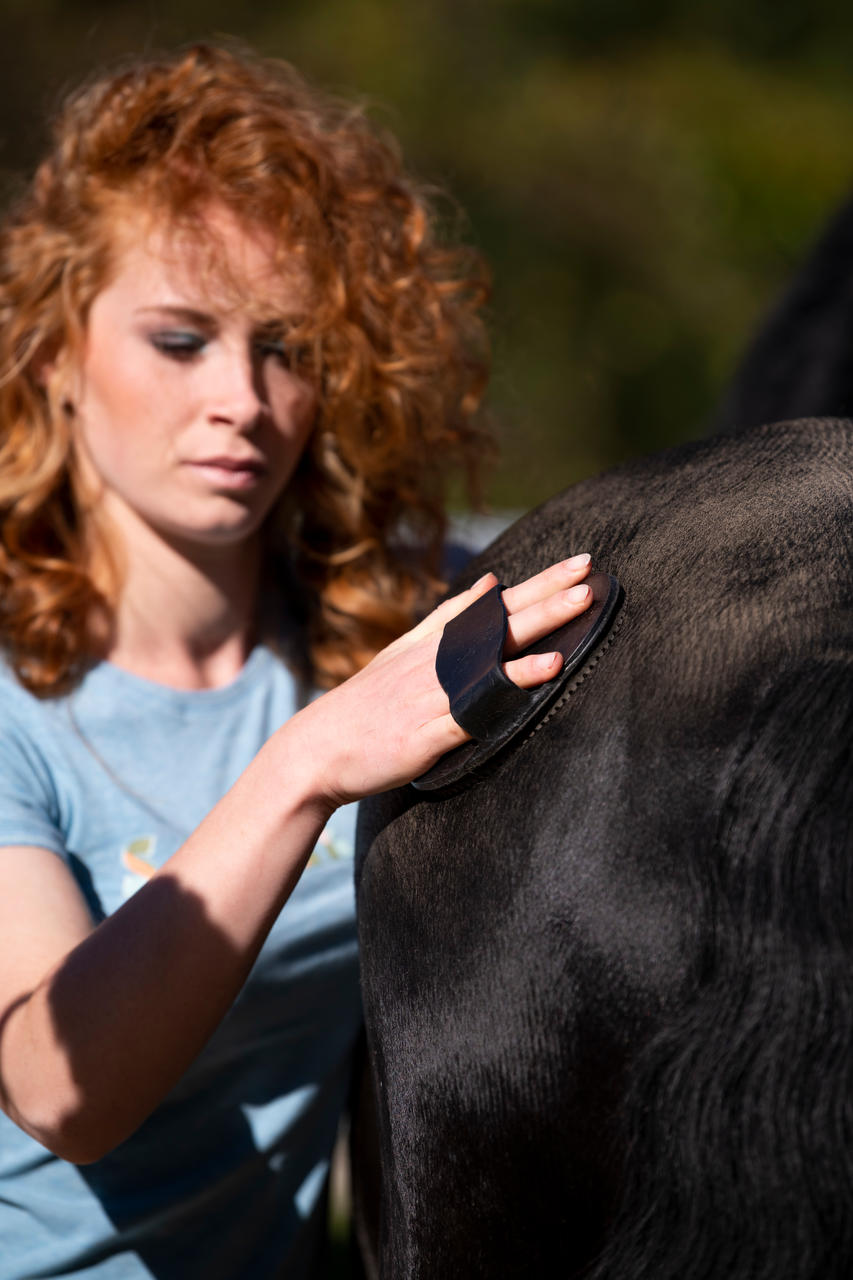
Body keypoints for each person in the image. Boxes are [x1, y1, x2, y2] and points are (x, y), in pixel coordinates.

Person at [0, 42, 595, 1279]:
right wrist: (314, 758)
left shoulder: (378, 615)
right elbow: (61, 1088)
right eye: (179, 340)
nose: (245, 399)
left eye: (287, 347)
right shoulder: (16, 699)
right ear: (56, 358)